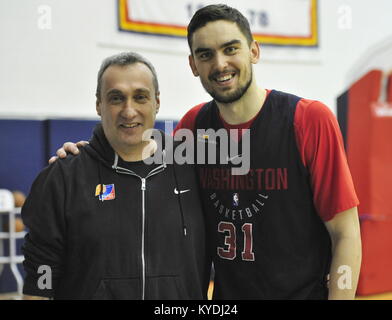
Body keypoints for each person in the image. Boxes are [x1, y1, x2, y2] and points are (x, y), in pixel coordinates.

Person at [53, 5, 362, 300]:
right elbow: (137, 164)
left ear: (254, 51)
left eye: (231, 49)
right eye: (206, 54)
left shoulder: (307, 119)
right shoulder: (193, 127)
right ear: (193, 65)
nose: (219, 64)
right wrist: (86, 157)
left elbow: (345, 233)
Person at [22, 52, 210, 300]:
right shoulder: (64, 178)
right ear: (99, 104)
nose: (129, 111)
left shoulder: (195, 169)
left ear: (157, 102)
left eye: (140, 97)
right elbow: (41, 276)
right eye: (116, 98)